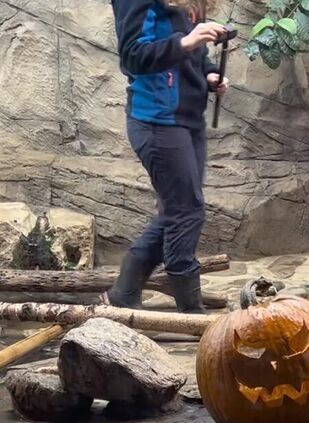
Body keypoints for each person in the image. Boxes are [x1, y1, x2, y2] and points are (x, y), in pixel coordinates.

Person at [105, 0, 231, 314]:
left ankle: (123, 293)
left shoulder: (187, 4)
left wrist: (210, 74)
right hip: (156, 120)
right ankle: (191, 312)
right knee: (187, 211)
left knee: (177, 209)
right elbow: (133, 56)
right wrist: (186, 41)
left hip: (188, 119)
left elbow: (193, 58)